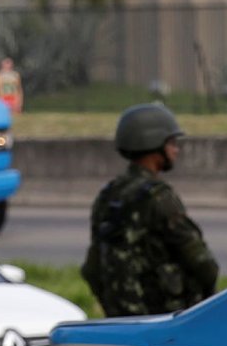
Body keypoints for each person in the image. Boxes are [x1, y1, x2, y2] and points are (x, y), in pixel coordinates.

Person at [83, 102, 218, 318]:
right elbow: (203, 263)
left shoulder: (108, 194)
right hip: (164, 320)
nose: (176, 149)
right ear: (154, 145)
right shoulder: (159, 197)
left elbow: (92, 267)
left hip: (120, 321)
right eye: (172, 143)